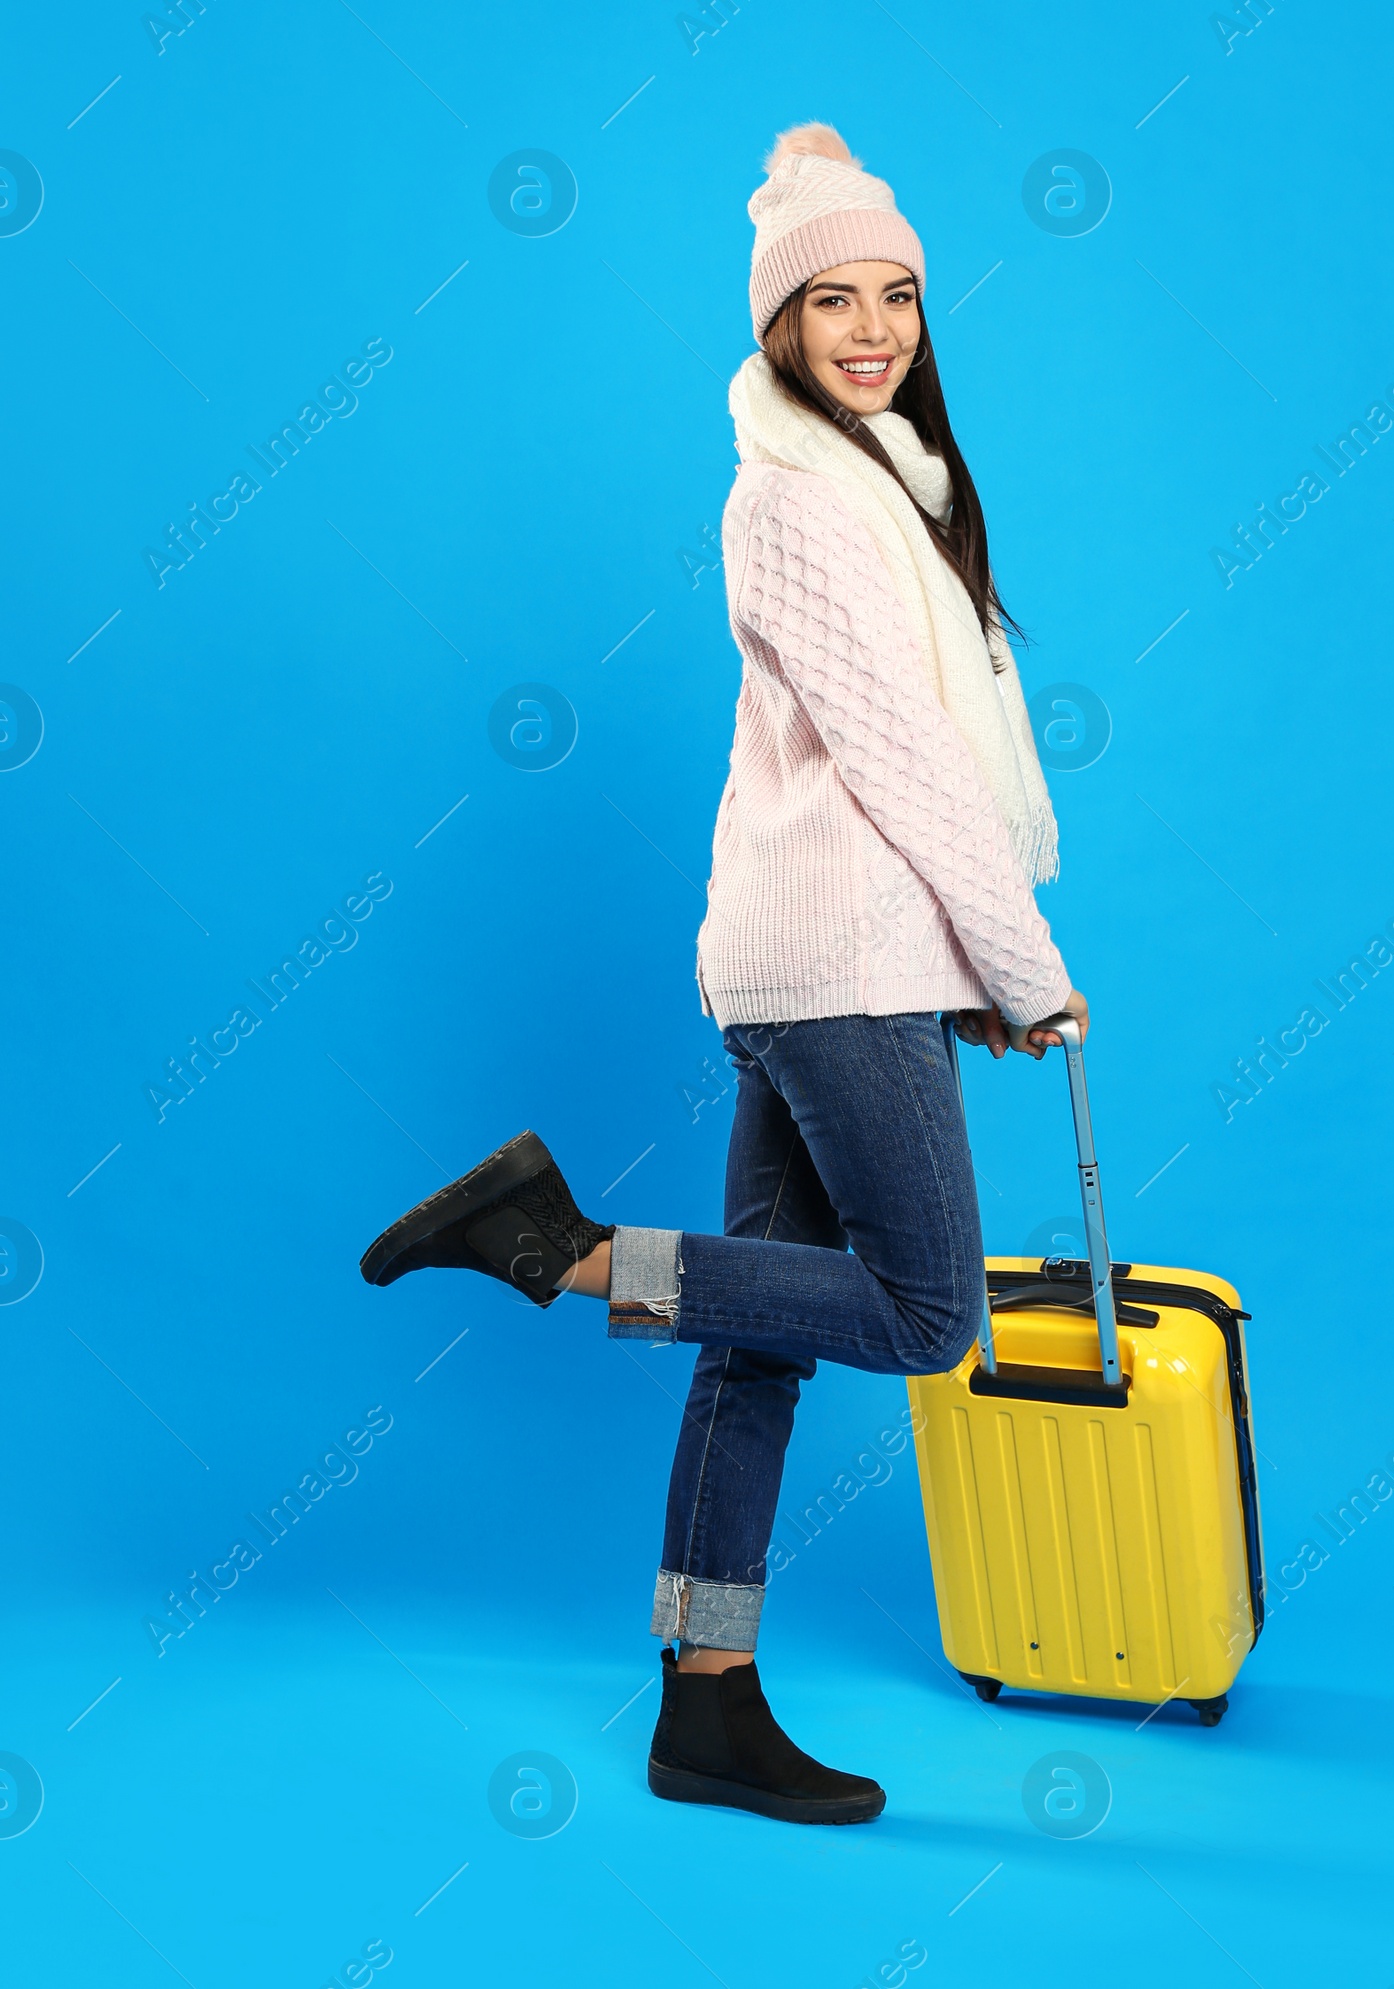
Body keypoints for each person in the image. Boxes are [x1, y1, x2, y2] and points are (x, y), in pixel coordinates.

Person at [360, 122, 1084, 1827]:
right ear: (777, 322)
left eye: (897, 294)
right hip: (834, 960)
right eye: (833, 298)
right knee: (931, 1313)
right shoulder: (798, 498)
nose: (873, 328)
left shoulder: (890, 482)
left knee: (754, 1339)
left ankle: (705, 1705)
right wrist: (1023, 960)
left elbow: (880, 769)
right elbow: (904, 762)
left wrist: (962, 961)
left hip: (829, 952)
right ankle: (556, 1245)